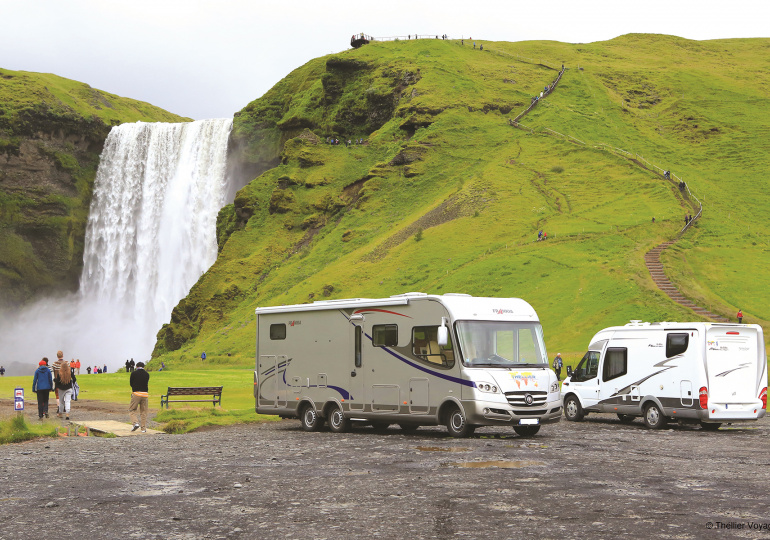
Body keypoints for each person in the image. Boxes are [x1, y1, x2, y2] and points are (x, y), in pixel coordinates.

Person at [129, 362, 150, 433]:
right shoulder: (147, 374)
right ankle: (143, 428)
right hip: (145, 394)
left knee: (132, 409)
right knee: (143, 412)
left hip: (136, 393)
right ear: (143, 366)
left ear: (136, 366)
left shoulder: (134, 373)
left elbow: (131, 383)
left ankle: (135, 423)